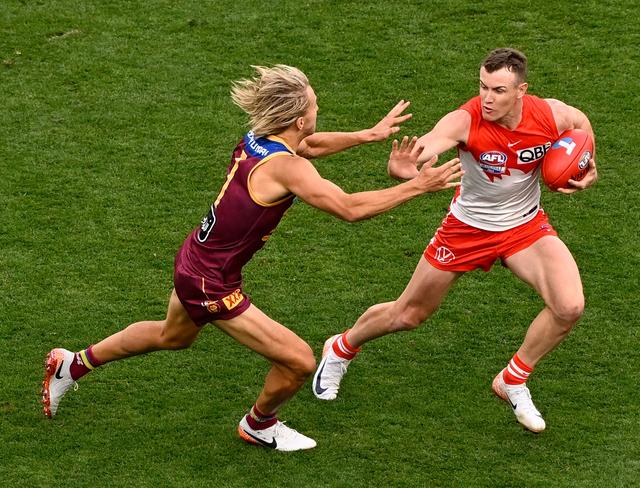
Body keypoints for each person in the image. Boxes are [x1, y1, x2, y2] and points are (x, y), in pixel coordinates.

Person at [41, 65, 463, 451]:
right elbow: (349, 208)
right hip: (213, 284)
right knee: (298, 360)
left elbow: (310, 145)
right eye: (315, 103)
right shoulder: (288, 169)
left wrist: (368, 136)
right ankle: (259, 424)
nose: (318, 107)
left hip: (195, 260)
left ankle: (71, 365)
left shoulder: (259, 138)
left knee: (173, 336)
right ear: (298, 118)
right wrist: (416, 188)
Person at [313, 48, 598, 433]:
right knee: (408, 315)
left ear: (522, 90)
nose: (487, 97)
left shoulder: (551, 114)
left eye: (498, 90)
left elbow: (580, 125)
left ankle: (512, 379)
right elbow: (425, 149)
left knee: (569, 306)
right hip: (466, 230)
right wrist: (403, 168)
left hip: (524, 228)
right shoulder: (465, 120)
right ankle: (342, 346)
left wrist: (587, 163)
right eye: (483, 86)